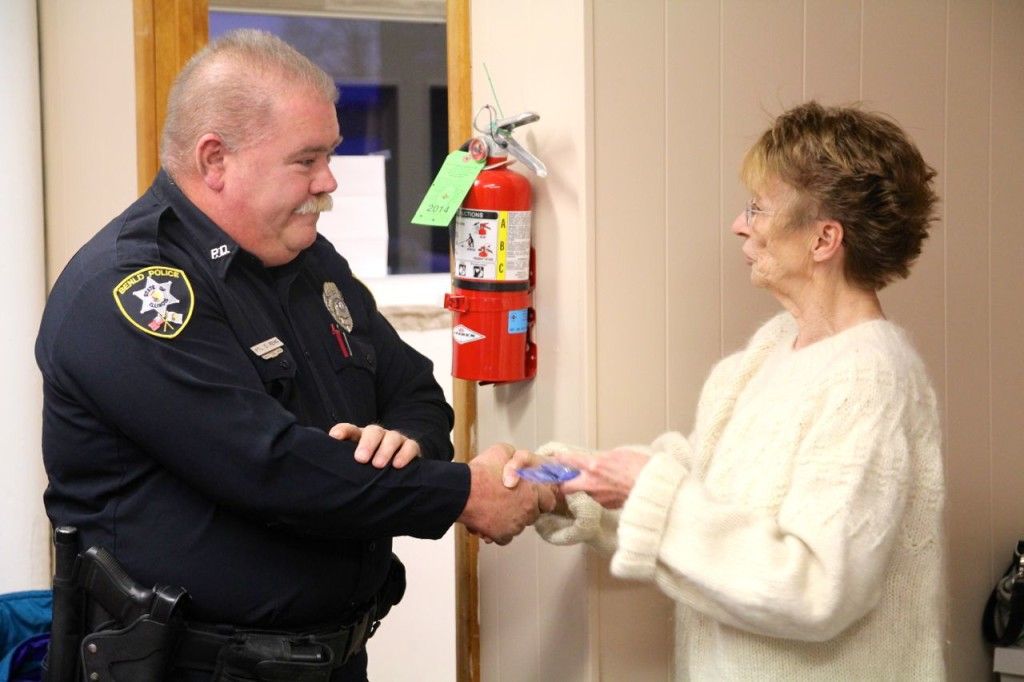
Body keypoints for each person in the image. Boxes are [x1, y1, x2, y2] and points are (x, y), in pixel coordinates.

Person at [35, 29, 553, 682]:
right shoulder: (134, 291)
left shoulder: (305, 258)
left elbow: (415, 389)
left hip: (333, 658)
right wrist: (463, 494)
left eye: (330, 155)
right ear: (215, 160)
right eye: (306, 160)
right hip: (186, 667)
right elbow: (267, 467)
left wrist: (402, 444)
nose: (328, 180)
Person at [515, 101, 946, 680]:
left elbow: (816, 589)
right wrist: (574, 482)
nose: (740, 225)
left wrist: (646, 489)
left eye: (758, 208)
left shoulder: (873, 377)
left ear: (823, 239)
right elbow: (700, 499)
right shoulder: (769, 350)